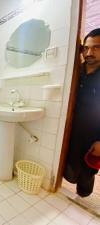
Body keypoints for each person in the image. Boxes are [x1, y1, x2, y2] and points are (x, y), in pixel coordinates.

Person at [64, 28, 100, 197]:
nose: (89, 52)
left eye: (96, 47)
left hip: (94, 134)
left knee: (88, 169)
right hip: (73, 130)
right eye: (86, 48)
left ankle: (83, 195)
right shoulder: (78, 71)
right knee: (71, 163)